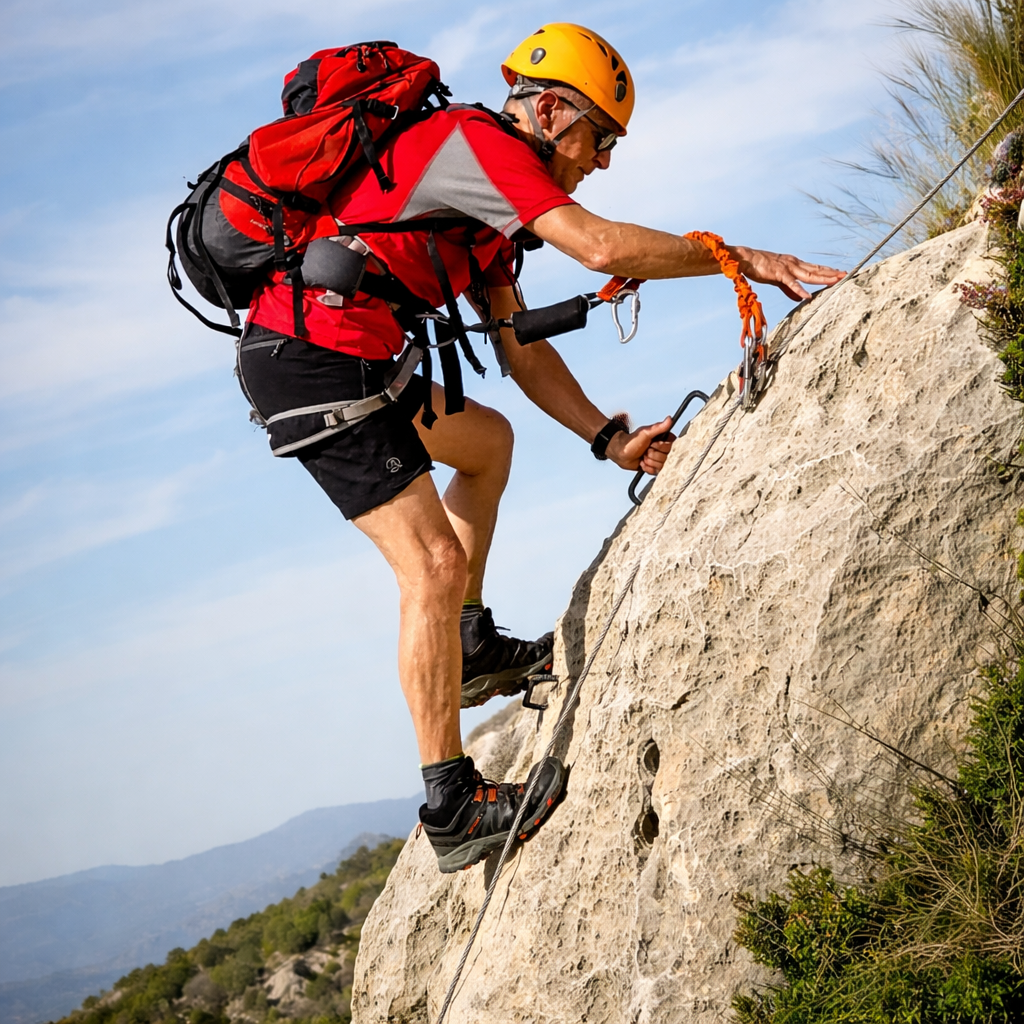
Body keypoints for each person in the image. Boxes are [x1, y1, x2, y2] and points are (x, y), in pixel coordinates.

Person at [236, 23, 845, 873]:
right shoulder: (470, 145)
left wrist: (609, 439)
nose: (603, 162)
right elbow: (600, 246)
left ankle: (469, 644)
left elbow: (520, 351)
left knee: (486, 441)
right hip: (310, 360)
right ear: (552, 110)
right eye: (601, 138)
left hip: (356, 354)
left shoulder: (487, 208)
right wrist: (735, 256)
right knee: (432, 565)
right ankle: (451, 804)